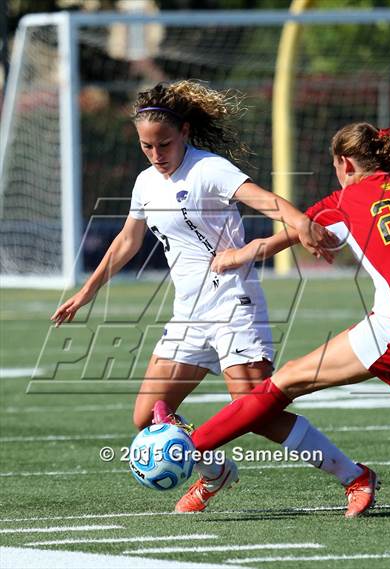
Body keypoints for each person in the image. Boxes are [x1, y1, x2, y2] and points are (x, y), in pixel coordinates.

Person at [51, 80, 360, 514]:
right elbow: (127, 240)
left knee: (258, 414)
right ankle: (215, 473)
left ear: (185, 133)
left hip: (234, 304)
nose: (156, 155)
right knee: (147, 417)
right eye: (147, 146)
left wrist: (303, 225)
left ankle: (354, 476)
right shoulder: (145, 184)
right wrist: (87, 290)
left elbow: (268, 202)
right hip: (189, 315)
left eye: (164, 144)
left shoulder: (208, 169)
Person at [156, 121, 390, 518]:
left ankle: (191, 447)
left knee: (283, 383)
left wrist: (234, 256)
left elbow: (277, 240)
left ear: (344, 163)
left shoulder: (344, 202)